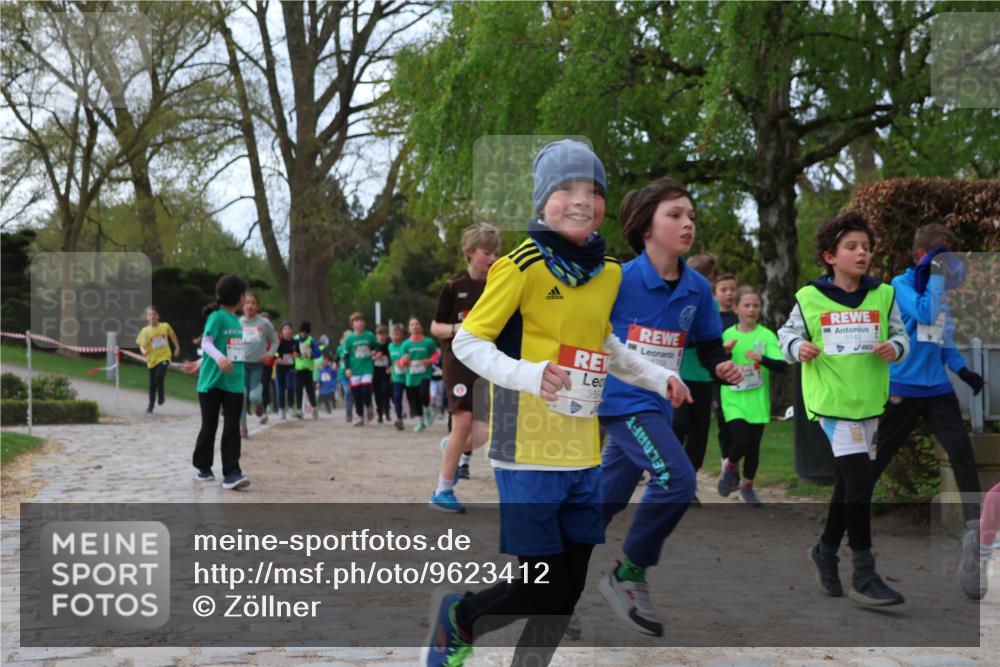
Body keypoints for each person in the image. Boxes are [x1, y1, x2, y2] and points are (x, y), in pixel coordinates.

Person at [422, 139, 691, 667]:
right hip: (525, 448)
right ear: (542, 200)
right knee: (539, 585)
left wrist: (657, 377)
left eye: (593, 191)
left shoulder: (608, 270)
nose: (581, 200)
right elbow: (469, 342)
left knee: (566, 591)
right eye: (566, 189)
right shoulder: (519, 266)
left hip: (582, 451)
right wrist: (531, 374)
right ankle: (460, 618)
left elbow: (603, 343)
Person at [596, 177, 740, 637]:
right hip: (622, 400)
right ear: (646, 227)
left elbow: (709, 344)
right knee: (677, 480)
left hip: (661, 404)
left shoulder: (697, 288)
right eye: (674, 215)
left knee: (601, 503)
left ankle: (543, 571)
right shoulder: (616, 279)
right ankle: (628, 574)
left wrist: (721, 366)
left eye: (691, 216)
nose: (687, 223)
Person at [844, 223, 984, 598]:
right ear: (923, 257)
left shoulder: (940, 291)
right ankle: (844, 524)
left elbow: (943, 337)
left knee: (962, 453)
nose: (948, 269)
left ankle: (976, 532)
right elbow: (924, 313)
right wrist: (935, 277)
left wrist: (963, 371)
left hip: (937, 388)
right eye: (942, 261)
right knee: (875, 460)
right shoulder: (900, 286)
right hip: (901, 388)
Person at [778, 211, 909, 606]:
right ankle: (864, 574)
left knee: (850, 483)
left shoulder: (883, 295)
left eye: (866, 247)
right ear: (830, 256)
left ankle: (825, 550)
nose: (862, 253)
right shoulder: (809, 297)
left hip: (869, 403)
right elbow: (786, 336)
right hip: (832, 404)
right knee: (861, 480)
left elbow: (902, 336)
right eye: (851, 247)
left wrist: (895, 348)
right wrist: (798, 347)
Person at [428, 222, 501, 512]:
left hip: (487, 363)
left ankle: (451, 445)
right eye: (487, 253)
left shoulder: (500, 283)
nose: (493, 258)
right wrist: (459, 329)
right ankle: (442, 491)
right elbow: (435, 326)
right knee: (463, 422)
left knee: (484, 432)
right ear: (470, 253)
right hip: (457, 362)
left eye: (496, 253)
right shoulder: (453, 286)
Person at [718, 285, 787, 507]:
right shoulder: (727, 335)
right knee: (741, 440)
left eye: (756, 305)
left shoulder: (766, 336)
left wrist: (762, 358)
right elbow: (714, 363)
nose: (752, 309)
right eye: (746, 305)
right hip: (733, 397)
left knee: (753, 447)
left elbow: (781, 365)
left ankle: (747, 488)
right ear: (736, 308)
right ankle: (730, 466)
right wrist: (725, 352)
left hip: (757, 398)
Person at [192, 274, 250, 490]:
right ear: (238, 296)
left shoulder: (237, 321)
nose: (246, 298)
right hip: (211, 383)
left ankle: (232, 473)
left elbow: (226, 347)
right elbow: (206, 343)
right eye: (244, 294)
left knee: (232, 427)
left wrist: (203, 361)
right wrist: (217, 359)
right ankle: (203, 466)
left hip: (234, 382)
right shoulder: (216, 317)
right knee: (210, 425)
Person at [239, 292, 279, 438]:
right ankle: (243, 426)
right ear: (242, 305)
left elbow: (275, 341)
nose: (250, 305)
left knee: (254, 397)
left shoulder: (264, 323)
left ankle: (259, 404)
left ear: (258, 306)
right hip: (241, 365)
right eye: (247, 302)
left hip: (257, 366)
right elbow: (231, 341)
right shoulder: (238, 322)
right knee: (242, 395)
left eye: (253, 303)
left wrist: (269, 354)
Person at [136, 305, 181, 414]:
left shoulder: (165, 326)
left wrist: (177, 347)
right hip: (152, 360)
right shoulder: (145, 331)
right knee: (152, 384)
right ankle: (151, 405)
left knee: (159, 376)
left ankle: (161, 395)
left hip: (164, 356)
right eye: (149, 315)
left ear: (158, 316)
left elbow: (173, 335)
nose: (152, 316)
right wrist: (143, 351)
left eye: (154, 314)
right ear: (147, 317)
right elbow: (141, 345)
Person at [398, 317, 438, 432]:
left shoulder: (428, 342)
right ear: (409, 329)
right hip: (411, 376)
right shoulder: (405, 344)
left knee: (423, 393)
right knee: (416, 400)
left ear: (421, 327)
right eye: (412, 324)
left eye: (417, 324)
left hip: (424, 374)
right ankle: (421, 421)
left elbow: (436, 354)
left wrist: (429, 361)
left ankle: (427, 410)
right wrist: (404, 361)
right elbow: (401, 362)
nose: (415, 326)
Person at [342, 312, 379, 426]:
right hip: (354, 370)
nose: (360, 323)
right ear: (352, 325)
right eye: (357, 321)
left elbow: (376, 346)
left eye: (361, 321)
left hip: (367, 368)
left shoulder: (369, 335)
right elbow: (346, 355)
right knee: (356, 395)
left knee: (366, 390)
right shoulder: (350, 339)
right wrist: (347, 368)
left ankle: (369, 405)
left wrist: (374, 352)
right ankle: (360, 416)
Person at [294, 321, 321, 419]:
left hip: (308, 369)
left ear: (308, 332)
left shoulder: (311, 340)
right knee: (298, 388)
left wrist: (310, 355)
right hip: (298, 368)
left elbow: (318, 353)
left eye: (306, 332)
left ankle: (314, 408)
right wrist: (294, 353)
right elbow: (290, 348)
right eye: (302, 332)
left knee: (310, 390)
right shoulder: (295, 339)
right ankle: (299, 410)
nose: (303, 334)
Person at [273, 321, 297, 419]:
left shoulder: (295, 342)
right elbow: (274, 353)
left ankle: (291, 407)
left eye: (289, 328)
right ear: (282, 331)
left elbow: (299, 352)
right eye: (285, 329)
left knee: (290, 386)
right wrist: (278, 359)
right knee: (280, 389)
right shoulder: (279, 342)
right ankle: (281, 409)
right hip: (280, 368)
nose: (287, 330)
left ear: (292, 330)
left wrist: (296, 354)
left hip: (290, 368)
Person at [388, 323, 408, 430]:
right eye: (393, 334)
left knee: (411, 396)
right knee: (397, 396)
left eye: (398, 334)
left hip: (408, 375)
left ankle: (415, 411)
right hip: (397, 376)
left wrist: (402, 362)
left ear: (402, 335)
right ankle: (399, 418)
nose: (395, 336)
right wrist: (390, 370)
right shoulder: (390, 346)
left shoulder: (406, 345)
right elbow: (391, 361)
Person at [373, 325, 392, 424]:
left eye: (383, 334)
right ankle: (380, 414)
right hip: (376, 371)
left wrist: (387, 360)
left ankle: (387, 412)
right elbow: (369, 356)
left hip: (386, 371)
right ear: (376, 335)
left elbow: (392, 357)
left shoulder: (389, 345)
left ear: (387, 335)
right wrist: (375, 356)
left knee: (385, 391)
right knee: (377, 393)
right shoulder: (374, 345)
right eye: (379, 334)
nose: (381, 337)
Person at [316, 350, 339, 414]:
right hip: (323, 387)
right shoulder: (321, 370)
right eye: (323, 362)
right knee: (323, 398)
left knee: (329, 396)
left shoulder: (331, 369)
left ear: (328, 362)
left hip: (330, 386)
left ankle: (332, 405)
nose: (325, 363)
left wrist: (335, 370)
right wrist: (318, 383)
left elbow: (335, 376)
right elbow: (319, 378)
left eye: (326, 362)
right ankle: (326, 408)